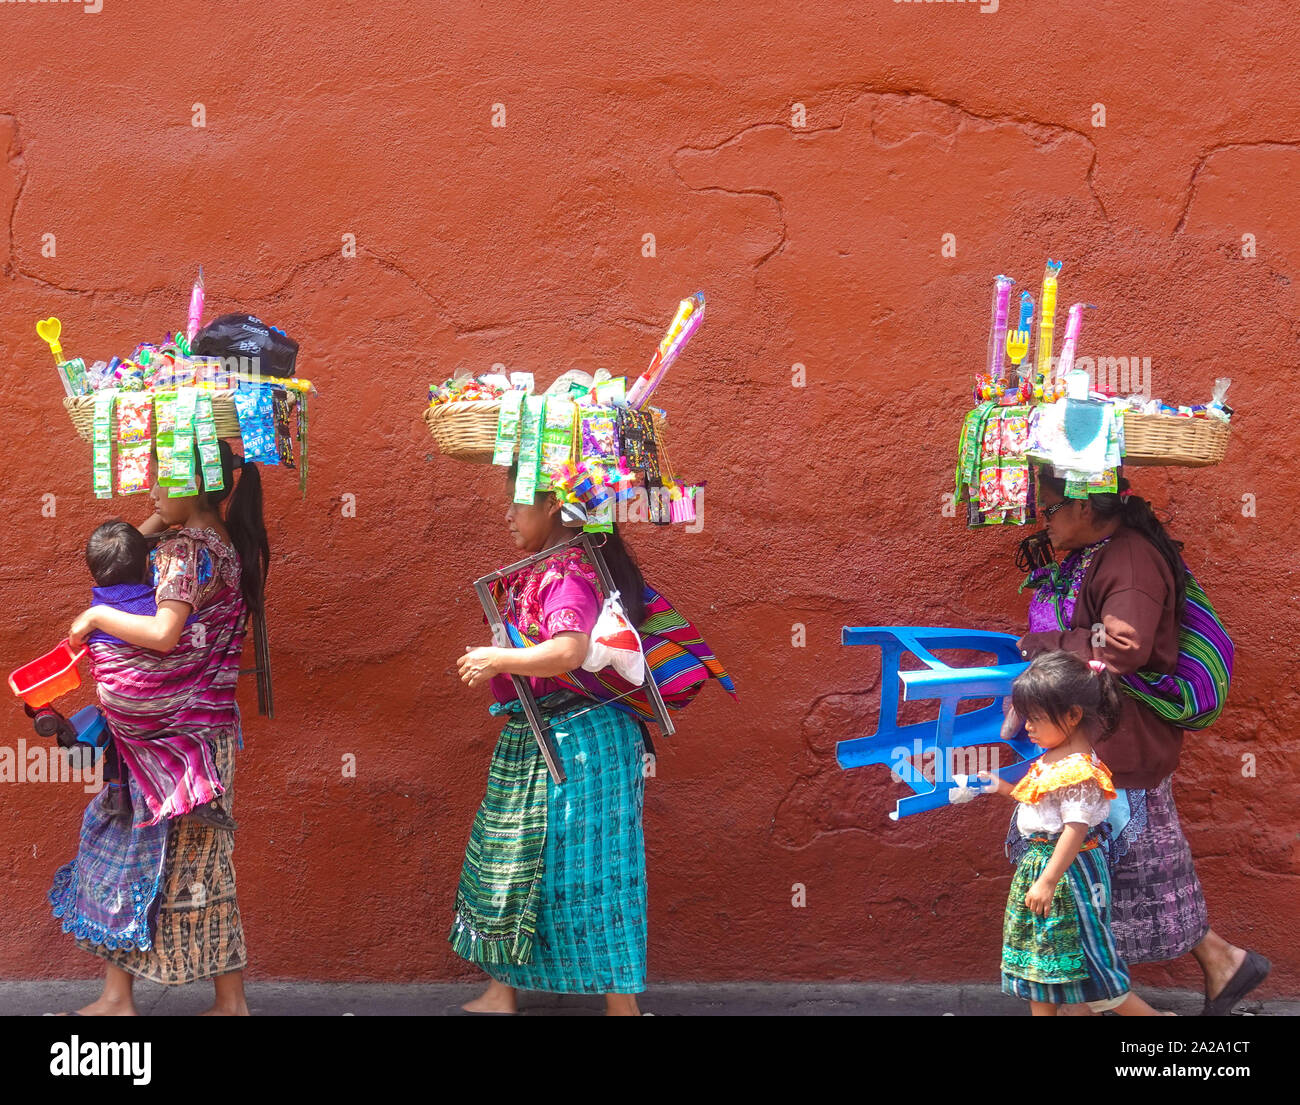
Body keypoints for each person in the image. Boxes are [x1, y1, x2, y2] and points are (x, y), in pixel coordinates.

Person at [1012, 469, 1269, 1015]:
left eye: (1052, 508)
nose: (1045, 519)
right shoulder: (1103, 552)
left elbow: (1123, 645)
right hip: (1105, 742)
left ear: (1085, 506)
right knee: (1140, 868)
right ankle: (1219, 962)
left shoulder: (1128, 559)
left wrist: (1045, 642)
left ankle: (1116, 1001)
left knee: (1102, 871)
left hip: (1117, 745)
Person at [52, 439, 269, 1016]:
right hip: (197, 737)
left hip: (175, 750)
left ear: (193, 485)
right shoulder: (220, 543)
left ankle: (177, 1000)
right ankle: (140, 996)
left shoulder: (182, 554)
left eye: (160, 478)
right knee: (183, 860)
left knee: (164, 859)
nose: (148, 489)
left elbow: (164, 634)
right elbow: (135, 539)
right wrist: (170, 505)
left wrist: (97, 615)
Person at [450, 470, 652, 1016]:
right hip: (542, 736)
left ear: (552, 506)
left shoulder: (565, 574)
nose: (507, 515)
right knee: (513, 862)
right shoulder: (545, 570)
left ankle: (622, 1008)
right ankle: (501, 991)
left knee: (595, 873)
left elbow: (568, 649)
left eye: (518, 504)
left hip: (580, 744)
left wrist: (498, 658)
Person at [979, 651, 1167, 1016]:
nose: (1027, 727)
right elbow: (1039, 802)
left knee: (1084, 956)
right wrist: (998, 786)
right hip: (1046, 867)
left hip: (1067, 873)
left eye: (1034, 718)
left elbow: (1075, 829)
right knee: (1044, 957)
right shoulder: (1056, 757)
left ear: (1072, 715)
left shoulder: (1078, 771)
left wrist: (1049, 880)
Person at [81, 520, 230, 829]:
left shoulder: (97, 610)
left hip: (121, 704)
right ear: (148, 563)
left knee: (120, 733)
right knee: (188, 732)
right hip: (164, 700)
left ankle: (118, 793)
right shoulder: (158, 601)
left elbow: (121, 552)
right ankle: (197, 797)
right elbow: (177, 639)